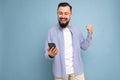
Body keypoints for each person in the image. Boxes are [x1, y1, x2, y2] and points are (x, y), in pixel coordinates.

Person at [45, 2, 93, 80]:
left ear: (70, 15)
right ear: (57, 13)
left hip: (77, 71)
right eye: (60, 13)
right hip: (59, 72)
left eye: (66, 13)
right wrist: (51, 55)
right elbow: (46, 54)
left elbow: (84, 47)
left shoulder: (76, 30)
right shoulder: (51, 31)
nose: (63, 16)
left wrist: (90, 33)